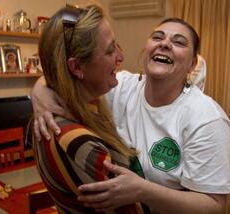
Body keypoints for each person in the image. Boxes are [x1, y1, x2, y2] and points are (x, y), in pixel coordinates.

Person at [31, 17, 230, 213]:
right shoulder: (121, 87)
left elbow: (214, 204)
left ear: (192, 64)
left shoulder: (207, 120)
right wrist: (39, 92)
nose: (164, 43)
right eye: (157, 37)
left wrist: (142, 191)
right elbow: (72, 74)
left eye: (179, 42)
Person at [32, 4, 146, 213]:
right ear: (77, 67)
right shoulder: (80, 146)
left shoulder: (87, 102)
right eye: (110, 50)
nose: (121, 57)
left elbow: (57, 75)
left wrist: (39, 87)